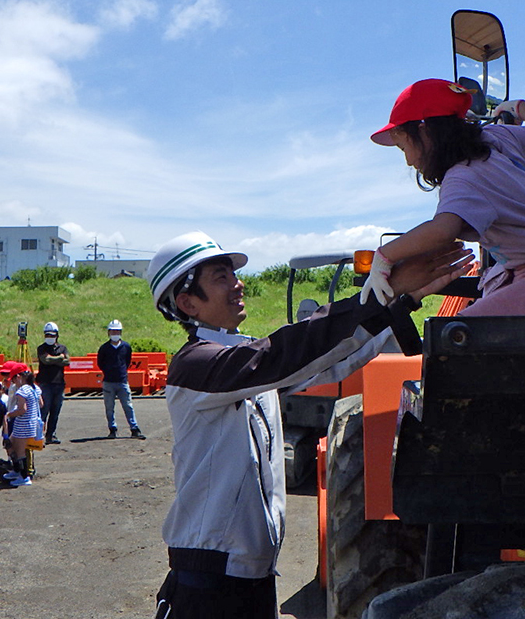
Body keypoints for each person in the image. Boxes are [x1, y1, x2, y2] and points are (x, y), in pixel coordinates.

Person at [146, 231, 471, 619]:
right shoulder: (197, 366)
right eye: (221, 277)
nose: (238, 284)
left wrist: (399, 303)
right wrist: (381, 293)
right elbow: (286, 351)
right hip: (209, 581)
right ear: (187, 302)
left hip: (249, 574)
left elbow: (330, 362)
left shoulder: (235, 362)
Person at [363, 78, 525, 316]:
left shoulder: (463, 177)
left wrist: (385, 256)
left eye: (404, 148)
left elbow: (442, 231)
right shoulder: (498, 136)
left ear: (426, 132)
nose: (409, 161)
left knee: (458, 336)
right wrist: (517, 106)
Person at [96, 319, 144, 439]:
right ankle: (112, 429)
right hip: (108, 382)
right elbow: (100, 363)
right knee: (109, 407)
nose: (115, 334)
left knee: (128, 405)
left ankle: (134, 428)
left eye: (117, 331)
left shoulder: (126, 347)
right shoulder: (104, 348)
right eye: (113, 332)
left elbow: (127, 361)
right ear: (108, 333)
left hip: (122, 381)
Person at [3, 363, 42, 487]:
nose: (13, 382)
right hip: (31, 423)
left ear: (19, 377)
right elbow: (41, 404)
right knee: (11, 444)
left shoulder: (22, 390)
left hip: (23, 424)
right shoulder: (33, 388)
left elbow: (22, 409)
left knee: (20, 452)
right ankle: (17, 472)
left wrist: (10, 414)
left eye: (14, 379)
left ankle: (24, 476)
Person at [36, 321, 69, 445]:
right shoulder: (42, 348)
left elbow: (67, 361)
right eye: (47, 335)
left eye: (52, 335)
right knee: (43, 411)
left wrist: (54, 359)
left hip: (59, 383)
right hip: (45, 383)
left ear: (57, 335)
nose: (50, 337)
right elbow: (45, 360)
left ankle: (51, 435)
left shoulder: (63, 348)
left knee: (55, 411)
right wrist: (59, 358)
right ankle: (39, 436)